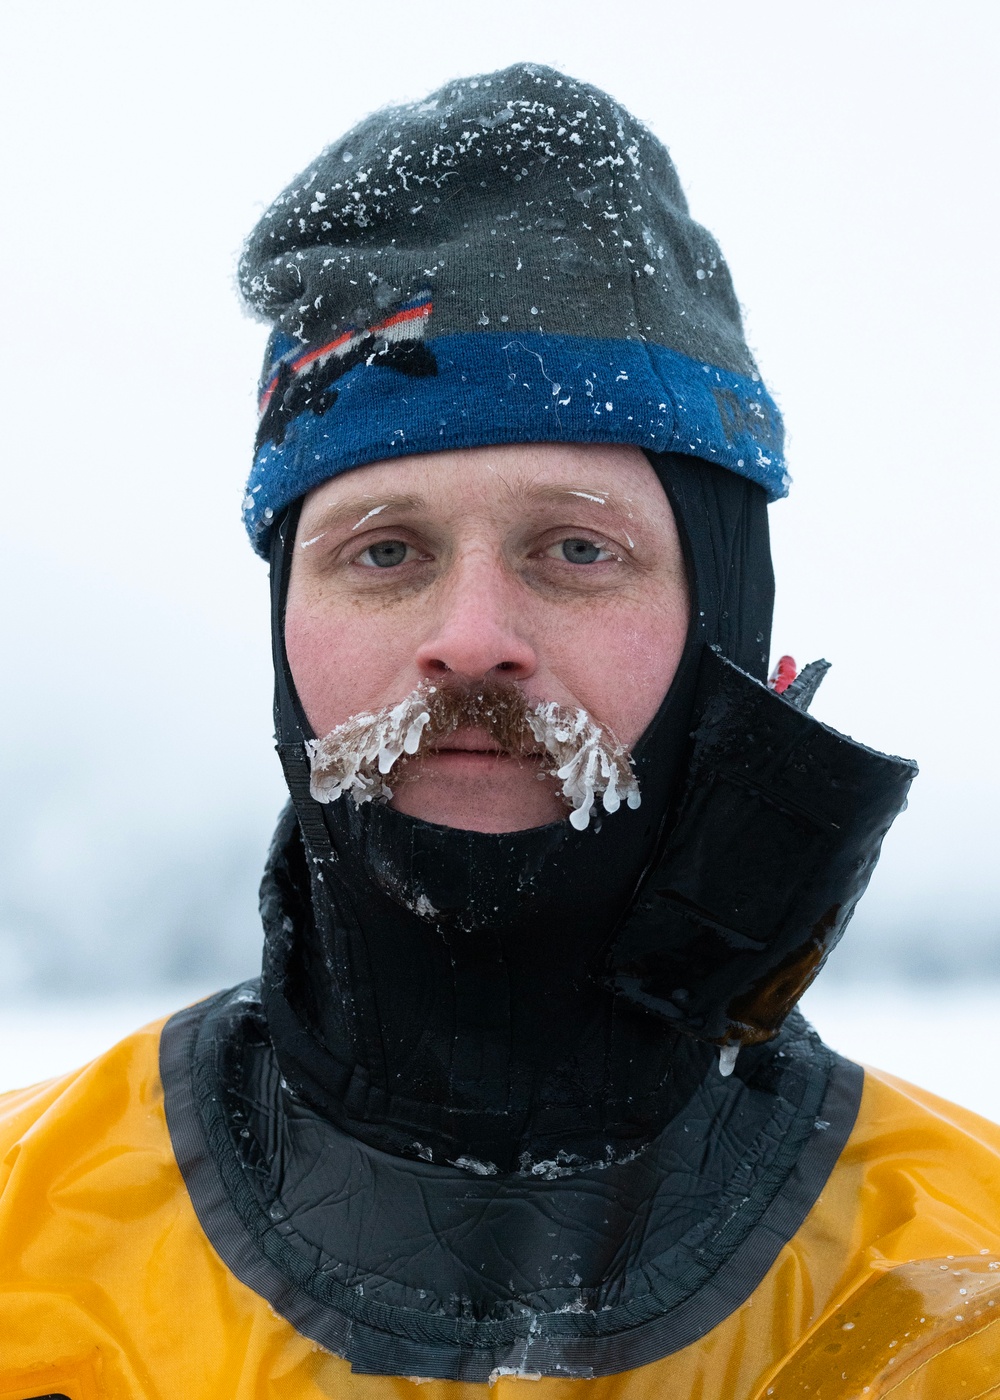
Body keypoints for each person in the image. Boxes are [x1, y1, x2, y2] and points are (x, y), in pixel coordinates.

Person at [2, 62, 999, 1400]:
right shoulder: (29, 1244)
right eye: (386, 550)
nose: (472, 635)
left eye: (579, 548)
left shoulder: (957, 1293)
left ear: (731, 630)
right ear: (282, 629)